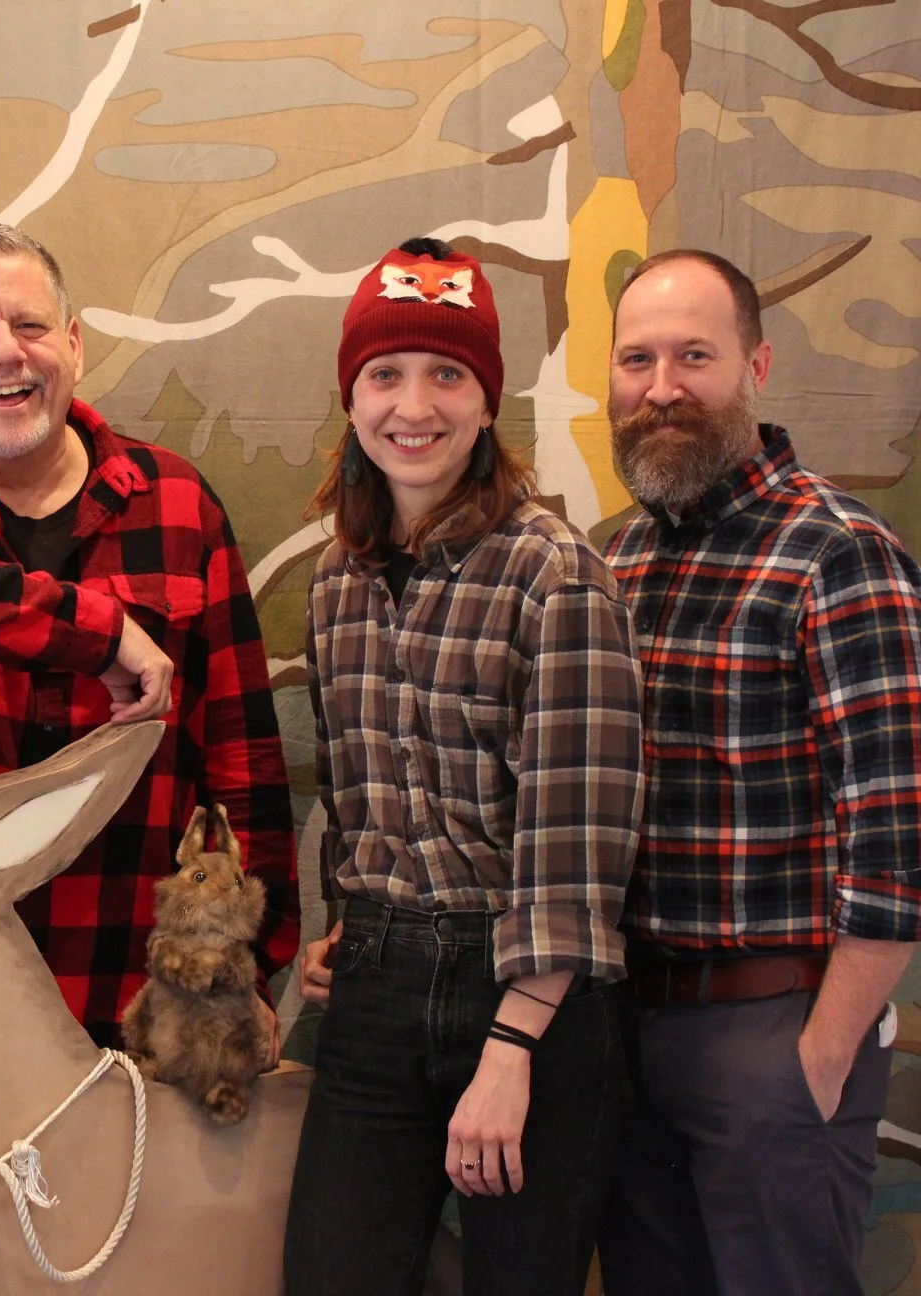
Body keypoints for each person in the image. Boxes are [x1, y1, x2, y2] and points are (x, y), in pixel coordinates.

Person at [0, 220, 299, 1292]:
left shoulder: (176, 505)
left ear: (74, 343)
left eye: (29, 324)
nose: (5, 352)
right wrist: (98, 630)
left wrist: (257, 972)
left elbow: (244, 757)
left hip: (117, 1011)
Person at [282, 237, 643, 1296]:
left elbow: (575, 858)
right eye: (386, 374)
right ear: (352, 399)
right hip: (379, 995)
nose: (415, 403)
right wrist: (357, 923)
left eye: (448, 373)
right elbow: (359, 804)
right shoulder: (336, 586)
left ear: (488, 403)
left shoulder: (555, 578)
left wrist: (508, 1048)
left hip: (534, 994)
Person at [595, 249, 921, 1296]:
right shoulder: (614, 563)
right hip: (630, 1030)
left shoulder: (836, 551)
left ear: (756, 365)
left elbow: (902, 845)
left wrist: (821, 1057)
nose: (662, 388)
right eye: (638, 359)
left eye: (694, 356)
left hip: (774, 1032)